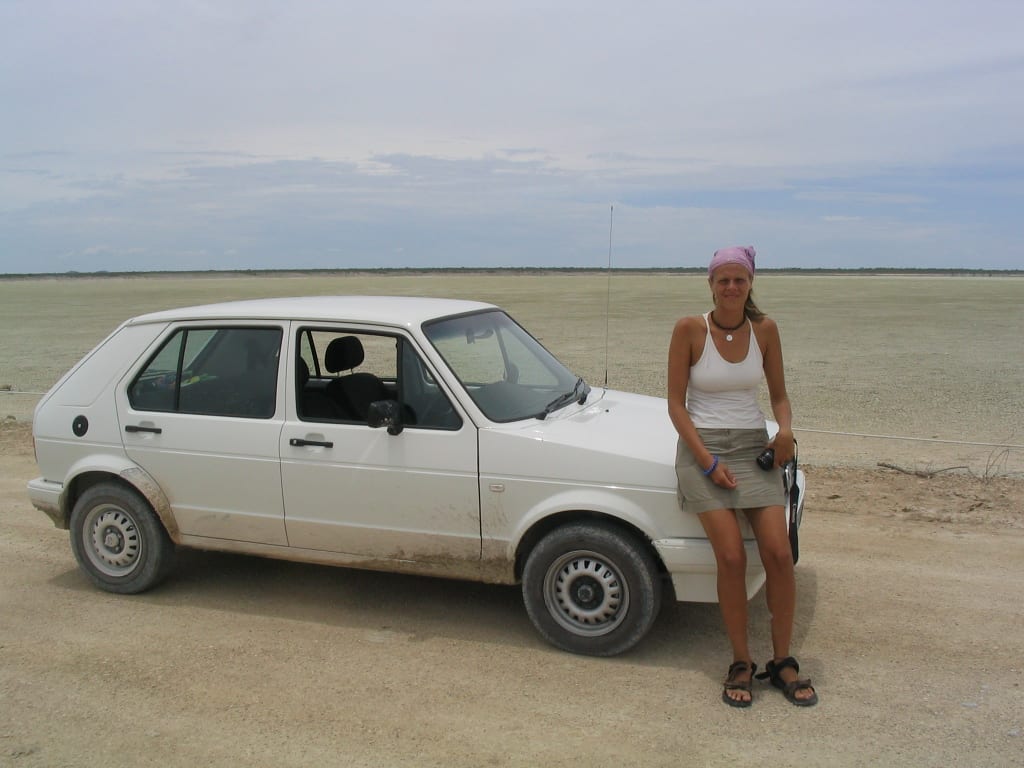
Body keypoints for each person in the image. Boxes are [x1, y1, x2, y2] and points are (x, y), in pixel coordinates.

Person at [667, 245, 818, 708]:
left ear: (750, 283)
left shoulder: (765, 330)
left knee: (777, 552)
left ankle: (782, 660)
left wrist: (786, 432)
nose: (731, 288)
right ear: (710, 285)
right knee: (731, 557)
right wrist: (709, 463)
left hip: (754, 446)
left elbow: (779, 396)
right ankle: (740, 661)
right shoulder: (690, 329)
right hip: (702, 450)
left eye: (739, 280)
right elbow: (676, 405)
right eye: (723, 280)